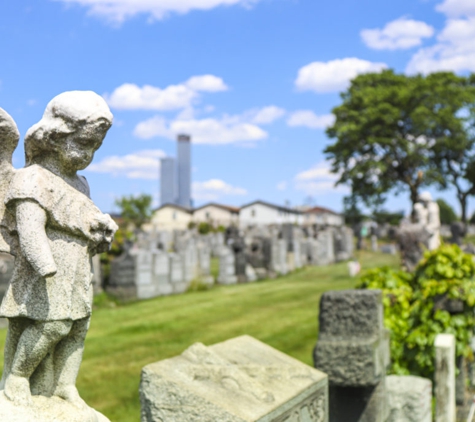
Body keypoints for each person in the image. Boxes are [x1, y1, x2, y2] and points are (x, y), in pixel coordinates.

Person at [0, 91, 118, 407]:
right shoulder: (31, 179)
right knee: (52, 325)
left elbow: (87, 225)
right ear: (53, 136)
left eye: (94, 147)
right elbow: (29, 226)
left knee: (78, 329)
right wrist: (44, 262)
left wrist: (102, 232)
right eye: (82, 144)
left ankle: (66, 385)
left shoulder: (81, 185)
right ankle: (18, 377)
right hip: (47, 273)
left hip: (78, 269)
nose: (88, 154)